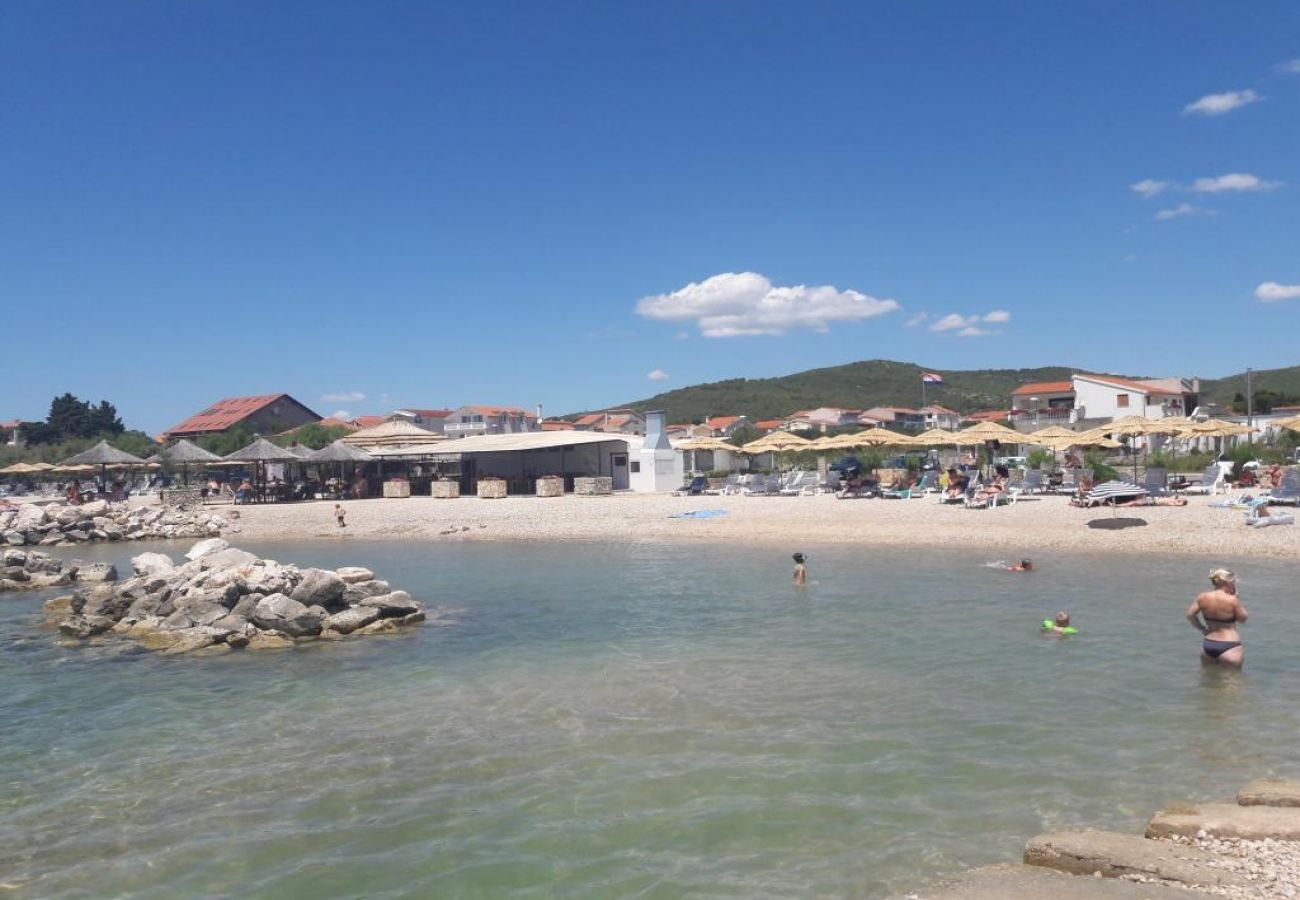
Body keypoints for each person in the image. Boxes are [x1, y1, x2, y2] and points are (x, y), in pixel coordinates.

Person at [1186, 568, 1248, 668]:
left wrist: (1202, 629)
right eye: (1234, 582)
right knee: (1232, 681)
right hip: (1230, 645)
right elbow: (1243, 619)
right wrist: (1237, 598)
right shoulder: (1232, 600)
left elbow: (1190, 615)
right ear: (1229, 582)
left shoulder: (1202, 597)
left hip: (1208, 644)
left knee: (1209, 681)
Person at [1116, 495, 1188, 507]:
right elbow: (1175, 496)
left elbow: (1179, 505)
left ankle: (1117, 505)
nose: (1180, 498)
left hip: (1153, 502)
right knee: (1135, 500)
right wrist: (1177, 498)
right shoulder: (1173, 499)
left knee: (1134, 502)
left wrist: (1181, 502)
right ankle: (1119, 503)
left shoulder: (1174, 503)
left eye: (1182, 499)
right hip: (1152, 499)